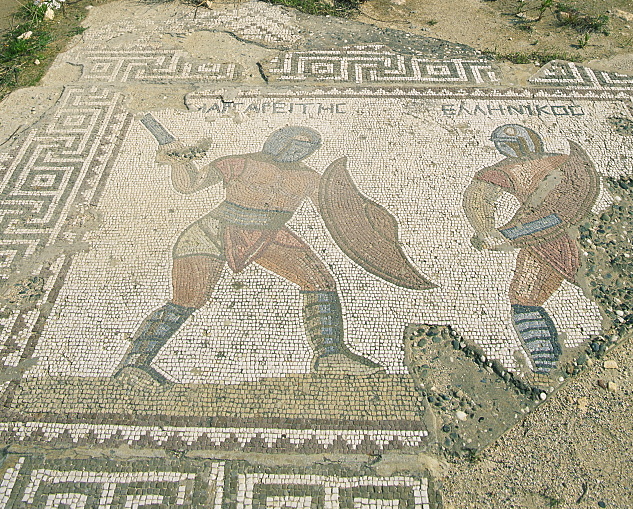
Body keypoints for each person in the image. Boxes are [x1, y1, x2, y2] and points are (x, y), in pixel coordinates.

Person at [115, 121, 434, 384]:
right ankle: (134, 366)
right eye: (291, 142)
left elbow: (340, 213)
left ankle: (331, 356)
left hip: (268, 234)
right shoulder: (239, 162)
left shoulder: (309, 178)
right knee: (188, 298)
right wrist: (178, 160)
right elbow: (190, 185)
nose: (295, 150)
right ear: (275, 139)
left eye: (305, 146)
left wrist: (373, 231)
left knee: (319, 280)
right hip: (213, 230)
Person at [462, 124, 600, 374]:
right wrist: (487, 230)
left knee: (524, 298)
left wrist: (491, 233)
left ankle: (545, 367)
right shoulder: (564, 161)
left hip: (545, 239)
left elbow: (478, 198)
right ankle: (545, 363)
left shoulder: (512, 168)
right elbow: (479, 198)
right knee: (526, 298)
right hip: (554, 233)